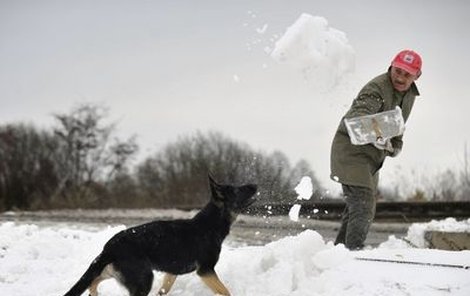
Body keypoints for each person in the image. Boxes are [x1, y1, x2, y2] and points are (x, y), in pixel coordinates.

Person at [330, 49, 422, 250]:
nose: (400, 77)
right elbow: (356, 122)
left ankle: (340, 251)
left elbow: (397, 123)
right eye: (397, 71)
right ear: (391, 67)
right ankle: (353, 253)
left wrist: (395, 144)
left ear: (417, 76)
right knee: (363, 205)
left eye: (407, 74)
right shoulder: (376, 89)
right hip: (351, 152)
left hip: (371, 157)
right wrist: (380, 135)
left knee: (359, 206)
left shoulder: (410, 94)